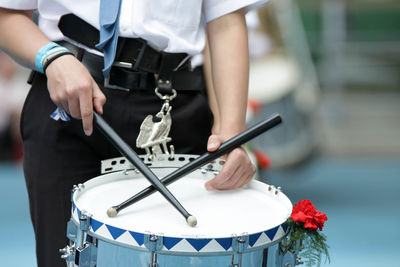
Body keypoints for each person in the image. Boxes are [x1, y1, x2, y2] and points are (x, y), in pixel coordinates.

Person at [0, 1, 267, 266]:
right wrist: (51, 57)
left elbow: (226, 20)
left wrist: (230, 137)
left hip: (170, 110)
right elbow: (6, 13)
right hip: (67, 100)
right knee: (64, 259)